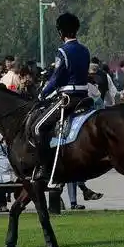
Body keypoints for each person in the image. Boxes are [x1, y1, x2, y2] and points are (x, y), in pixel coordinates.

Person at [35, 13, 90, 147]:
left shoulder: (63, 50)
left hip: (68, 98)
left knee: (38, 128)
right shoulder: (85, 50)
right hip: (84, 96)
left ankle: (44, 165)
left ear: (61, 32)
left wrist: (42, 93)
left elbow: (56, 79)